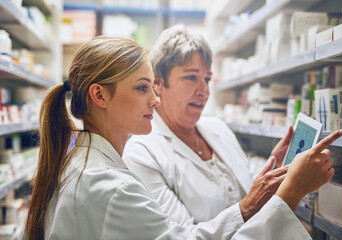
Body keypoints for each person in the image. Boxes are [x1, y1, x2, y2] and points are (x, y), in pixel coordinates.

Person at [25, 36, 342, 240]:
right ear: (100, 95)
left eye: (207, 78)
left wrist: (273, 180)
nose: (154, 99)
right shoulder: (114, 187)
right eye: (142, 88)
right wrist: (290, 194)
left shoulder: (85, 164)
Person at [123, 24, 297, 225]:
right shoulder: (141, 153)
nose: (204, 90)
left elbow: (246, 189)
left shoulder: (218, 128)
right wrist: (249, 206)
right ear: (158, 84)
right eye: (191, 77)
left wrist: (273, 163)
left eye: (207, 79)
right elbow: (180, 236)